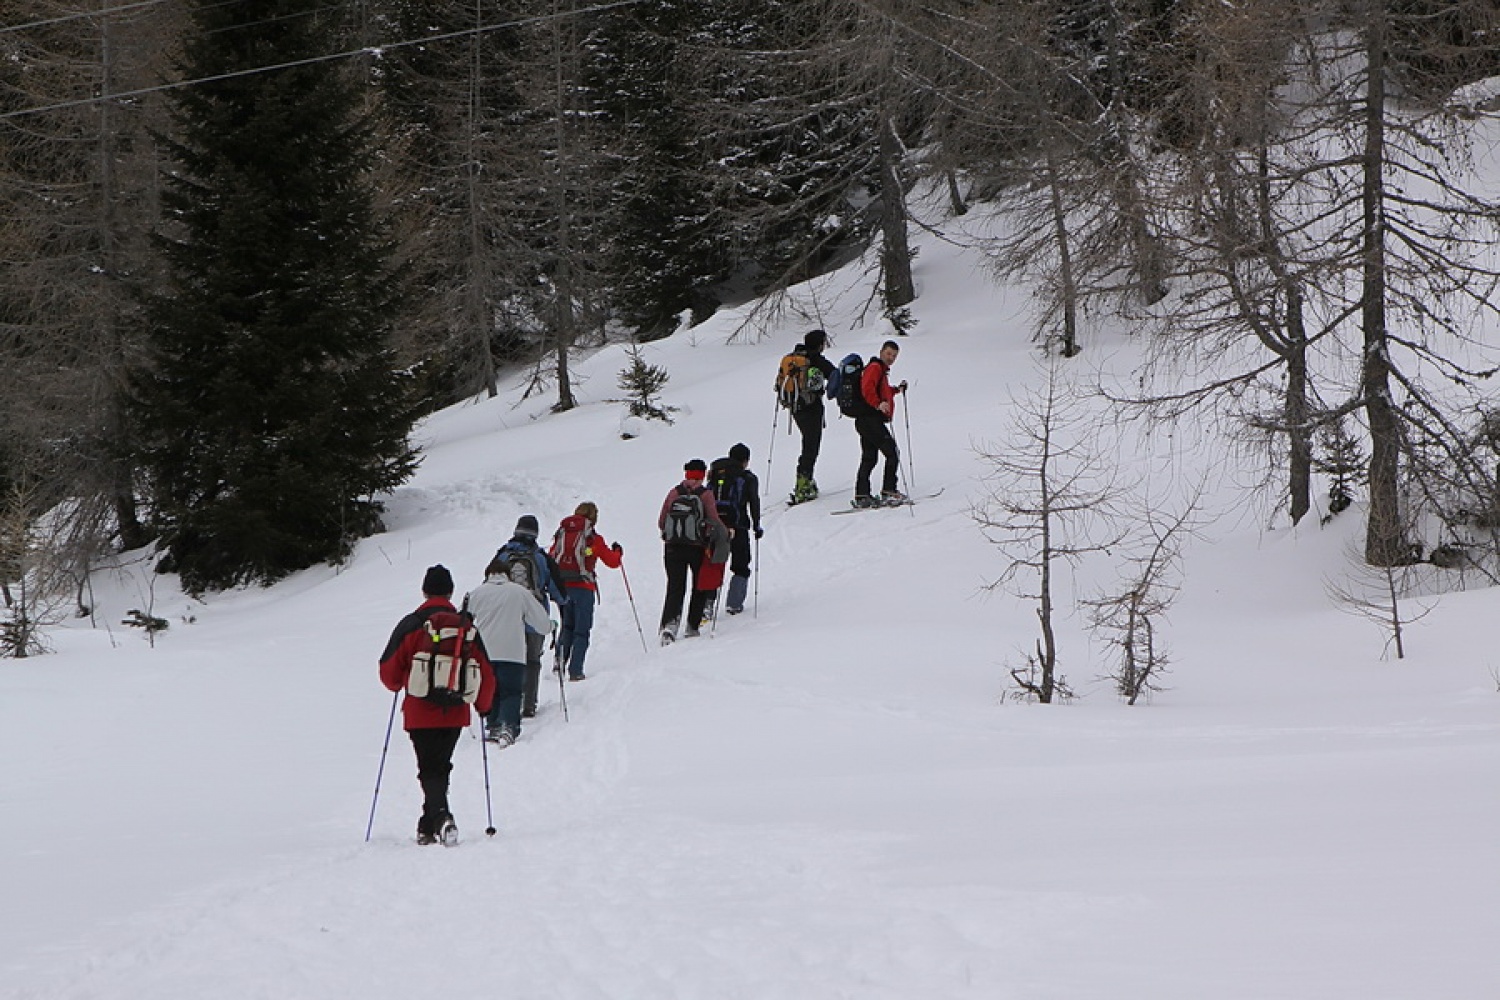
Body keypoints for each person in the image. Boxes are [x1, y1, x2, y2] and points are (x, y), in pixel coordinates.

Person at [378, 564, 495, 845]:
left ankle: (442, 818)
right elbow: (485, 670)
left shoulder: (412, 624)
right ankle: (427, 825)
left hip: (420, 713)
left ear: (424, 591)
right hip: (455, 711)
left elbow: (388, 671)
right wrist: (484, 706)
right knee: (439, 766)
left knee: (430, 768)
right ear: (451, 591)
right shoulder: (465, 627)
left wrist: (398, 683)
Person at [466, 554, 552, 747]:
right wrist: (551, 625)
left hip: (484, 653)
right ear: (508, 575)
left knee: (491, 690)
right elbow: (542, 624)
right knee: (511, 691)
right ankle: (509, 726)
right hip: (513, 653)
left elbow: (461, 620)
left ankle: (493, 724)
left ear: (487, 575)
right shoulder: (519, 592)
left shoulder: (476, 594)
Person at [493, 515, 568, 718]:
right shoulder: (540, 558)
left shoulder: (502, 555)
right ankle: (529, 704)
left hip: (507, 619)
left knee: (509, 661)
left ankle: (509, 703)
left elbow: (489, 581)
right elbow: (558, 591)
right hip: (534, 617)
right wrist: (563, 602)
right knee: (532, 661)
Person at [549, 501, 623, 682]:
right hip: (583, 588)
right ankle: (576, 670)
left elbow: (551, 557)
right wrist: (618, 552)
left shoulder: (562, 534)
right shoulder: (593, 539)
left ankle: (559, 661)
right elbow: (613, 562)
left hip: (563, 586)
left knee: (567, 626)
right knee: (582, 631)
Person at [657, 458, 728, 642]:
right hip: (697, 548)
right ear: (702, 474)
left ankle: (669, 626)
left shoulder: (674, 492)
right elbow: (713, 519)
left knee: (675, 587)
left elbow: (661, 522)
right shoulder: (705, 494)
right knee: (699, 586)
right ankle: (692, 626)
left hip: (672, 547)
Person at [853, 339, 908, 508]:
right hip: (870, 419)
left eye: (894, 356)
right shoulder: (875, 368)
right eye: (889, 353)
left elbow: (881, 391)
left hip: (866, 419)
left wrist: (896, 390)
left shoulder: (881, 371)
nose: (891, 358)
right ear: (881, 352)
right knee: (892, 452)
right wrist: (878, 404)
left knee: (869, 457)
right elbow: (867, 389)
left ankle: (862, 495)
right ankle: (889, 491)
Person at [711, 443, 762, 615]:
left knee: (715, 564)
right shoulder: (748, 478)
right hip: (738, 526)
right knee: (741, 564)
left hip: (716, 527)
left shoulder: (716, 473)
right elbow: (753, 502)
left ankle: (707, 605)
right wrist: (756, 525)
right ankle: (734, 603)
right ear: (746, 460)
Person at [787, 329, 837, 504]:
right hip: (811, 408)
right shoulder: (815, 359)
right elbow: (834, 374)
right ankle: (803, 484)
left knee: (807, 444)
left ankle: (805, 481)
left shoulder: (793, 357)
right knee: (811, 446)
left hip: (795, 407)